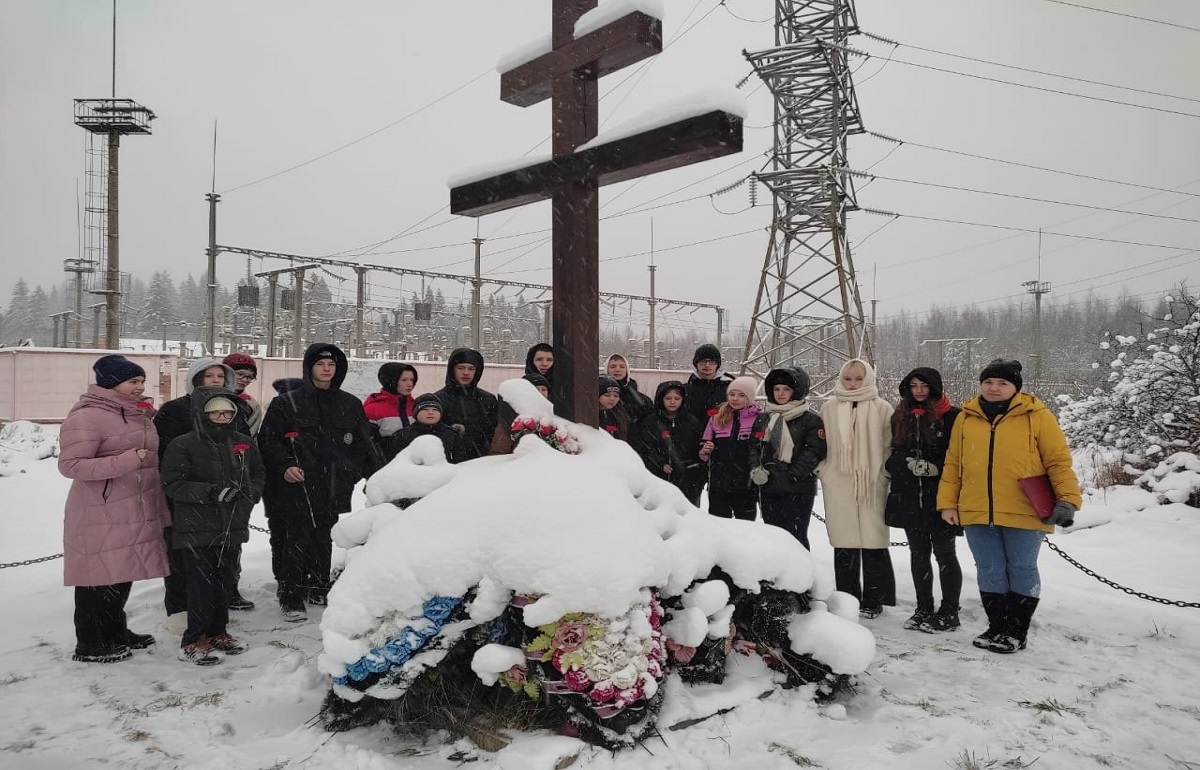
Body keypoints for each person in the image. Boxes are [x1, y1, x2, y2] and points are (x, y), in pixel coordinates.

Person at [938, 359, 1081, 653]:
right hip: (977, 507)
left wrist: (1067, 499)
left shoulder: (1037, 415)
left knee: (1021, 567)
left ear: (1015, 387)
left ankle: (1017, 630)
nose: (994, 388)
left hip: (1025, 507)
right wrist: (948, 503)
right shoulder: (966, 417)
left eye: (1002, 383)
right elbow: (953, 463)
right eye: (988, 382)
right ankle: (996, 626)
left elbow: (1058, 461)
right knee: (989, 568)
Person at [258, 343, 380, 622]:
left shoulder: (349, 403)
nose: (327, 369)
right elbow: (268, 441)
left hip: (333, 484)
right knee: (295, 538)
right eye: (321, 364)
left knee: (324, 537)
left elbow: (362, 444)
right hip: (296, 484)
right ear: (309, 367)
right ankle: (290, 595)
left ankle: (318, 586)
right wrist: (286, 465)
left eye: (332, 365)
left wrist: (352, 471)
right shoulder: (287, 402)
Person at [58, 355, 169, 663]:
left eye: (142, 381)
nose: (140, 387)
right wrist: (129, 459)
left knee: (121, 574)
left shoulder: (138, 414)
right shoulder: (87, 416)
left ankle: (115, 631)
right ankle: (91, 643)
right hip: (100, 511)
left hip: (133, 508)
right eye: (133, 381)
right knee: (97, 579)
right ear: (111, 383)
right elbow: (70, 465)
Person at [160, 388, 265, 665]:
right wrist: (210, 492)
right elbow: (172, 483)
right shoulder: (183, 444)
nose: (222, 416)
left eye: (228, 412)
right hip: (195, 528)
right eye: (216, 412)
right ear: (202, 413)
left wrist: (249, 495)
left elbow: (257, 474)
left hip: (231, 525)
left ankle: (219, 631)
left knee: (224, 582)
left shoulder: (243, 442)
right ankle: (194, 638)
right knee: (200, 586)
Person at [155, 358, 256, 613]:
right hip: (189, 498)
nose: (214, 380)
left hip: (228, 495)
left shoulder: (236, 409)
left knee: (226, 551)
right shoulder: (175, 410)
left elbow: (245, 450)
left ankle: (225, 597)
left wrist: (247, 490)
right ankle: (180, 607)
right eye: (208, 375)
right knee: (183, 556)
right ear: (196, 378)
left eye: (219, 377)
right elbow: (167, 456)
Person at [885, 368, 963, 633]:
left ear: (935, 387)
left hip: (940, 499)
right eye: (913, 386)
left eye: (924, 386)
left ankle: (950, 611)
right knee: (918, 555)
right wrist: (899, 463)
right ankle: (923, 608)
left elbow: (959, 458)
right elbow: (894, 451)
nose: (919, 391)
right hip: (909, 497)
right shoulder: (901, 416)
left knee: (945, 554)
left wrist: (935, 468)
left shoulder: (952, 417)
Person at [819, 358, 896, 618]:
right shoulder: (830, 407)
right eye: (848, 378)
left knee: (873, 540)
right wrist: (825, 471)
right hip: (839, 481)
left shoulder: (882, 407)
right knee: (844, 542)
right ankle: (848, 597)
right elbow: (822, 444)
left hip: (872, 480)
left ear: (869, 379)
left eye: (859, 379)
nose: (853, 384)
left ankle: (875, 598)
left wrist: (883, 471)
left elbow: (889, 443)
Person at [749, 367, 826, 549]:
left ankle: (800, 575)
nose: (781, 393)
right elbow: (754, 446)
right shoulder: (764, 418)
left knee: (796, 537)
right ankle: (775, 573)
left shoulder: (810, 420)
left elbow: (814, 451)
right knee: (773, 537)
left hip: (798, 489)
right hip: (768, 486)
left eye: (786, 389)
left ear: (796, 391)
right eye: (777, 389)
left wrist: (791, 476)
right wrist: (756, 469)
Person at [630, 380, 706, 506]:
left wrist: (694, 472)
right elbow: (644, 448)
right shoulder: (650, 422)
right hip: (658, 478)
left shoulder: (692, 422)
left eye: (677, 398)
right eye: (668, 398)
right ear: (661, 399)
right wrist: (658, 463)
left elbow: (698, 450)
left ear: (683, 400)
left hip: (688, 481)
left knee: (687, 516)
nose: (672, 402)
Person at [699, 376, 762, 521]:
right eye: (732, 394)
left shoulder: (759, 418)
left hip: (746, 483)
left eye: (741, 395)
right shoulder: (717, 418)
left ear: (750, 398)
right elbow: (703, 447)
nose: (735, 399)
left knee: (746, 527)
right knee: (719, 525)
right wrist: (705, 450)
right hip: (719, 483)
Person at [434, 347, 498, 462]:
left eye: (471, 368)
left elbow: (495, 433)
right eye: (461, 368)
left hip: (483, 462)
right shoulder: (438, 400)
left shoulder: (488, 399)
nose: (466, 373)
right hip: (448, 463)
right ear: (452, 370)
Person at [389, 393, 465, 464]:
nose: (430, 412)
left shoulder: (452, 434)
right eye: (425, 409)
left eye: (435, 409)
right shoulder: (403, 436)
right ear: (416, 413)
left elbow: (460, 462)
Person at [490, 373, 551, 455]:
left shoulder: (552, 416)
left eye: (543, 389)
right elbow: (498, 452)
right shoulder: (511, 418)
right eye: (535, 389)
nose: (540, 393)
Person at [363, 362, 418, 439]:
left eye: (412, 380)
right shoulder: (372, 410)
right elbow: (367, 443)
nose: (410, 384)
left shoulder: (417, 406)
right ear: (391, 381)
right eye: (404, 380)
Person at [684, 343, 734, 424]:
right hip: (693, 434)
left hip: (722, 432)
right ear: (696, 363)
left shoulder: (730, 388)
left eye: (711, 362)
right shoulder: (686, 389)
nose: (707, 365)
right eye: (703, 361)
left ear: (717, 364)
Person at [222, 353, 265, 435]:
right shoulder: (210, 397)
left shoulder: (252, 405)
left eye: (249, 377)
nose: (245, 379)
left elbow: (251, 436)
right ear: (226, 373)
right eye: (240, 374)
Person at [604, 353, 653, 423]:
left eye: (622, 367)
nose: (617, 369)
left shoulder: (642, 400)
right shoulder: (597, 395)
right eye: (613, 367)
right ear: (607, 369)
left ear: (627, 370)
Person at [598, 375, 631, 441]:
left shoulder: (621, 414)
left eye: (616, 396)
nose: (612, 399)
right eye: (607, 395)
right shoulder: (588, 415)